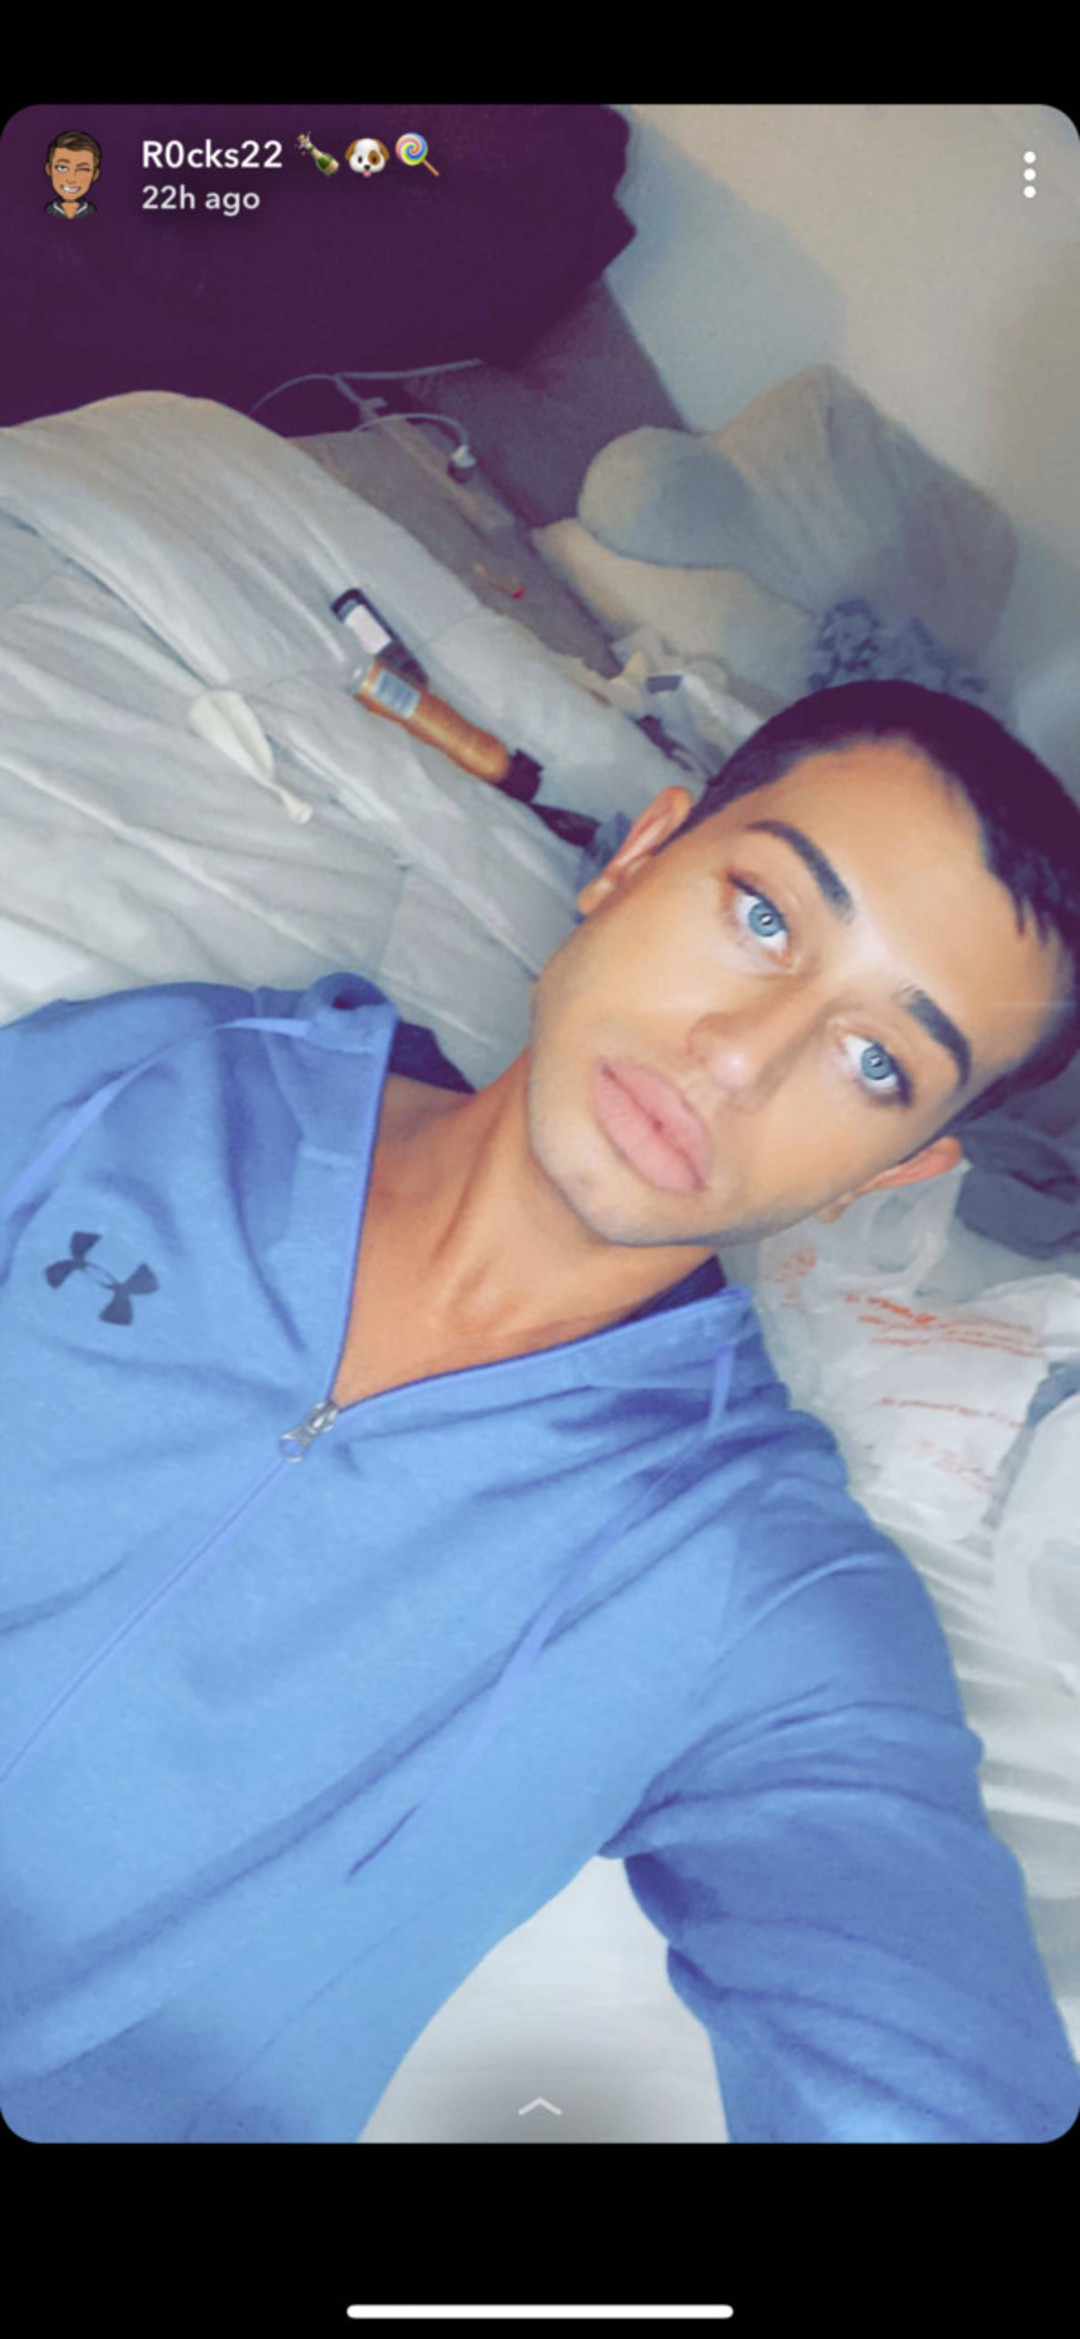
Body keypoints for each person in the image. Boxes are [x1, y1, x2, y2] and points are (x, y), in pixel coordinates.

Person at [2, 680, 1079, 2145]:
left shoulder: (755, 1587)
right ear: (636, 859)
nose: (741, 1055)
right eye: (764, 915)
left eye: (877, 1061)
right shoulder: (164, 1082)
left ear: (891, 1172)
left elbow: (926, 2074)